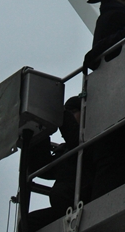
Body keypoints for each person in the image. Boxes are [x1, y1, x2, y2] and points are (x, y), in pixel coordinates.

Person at [86, 0, 125, 199]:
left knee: (110, 169)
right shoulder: (122, 17)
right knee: (122, 166)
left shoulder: (105, 18)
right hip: (123, 102)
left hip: (108, 108)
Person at [26, 97, 91, 232]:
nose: (69, 118)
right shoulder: (66, 149)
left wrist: (59, 111)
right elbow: (43, 168)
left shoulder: (93, 138)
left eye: (73, 112)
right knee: (27, 223)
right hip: (64, 210)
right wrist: (40, 131)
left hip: (87, 203)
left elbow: (76, 140)